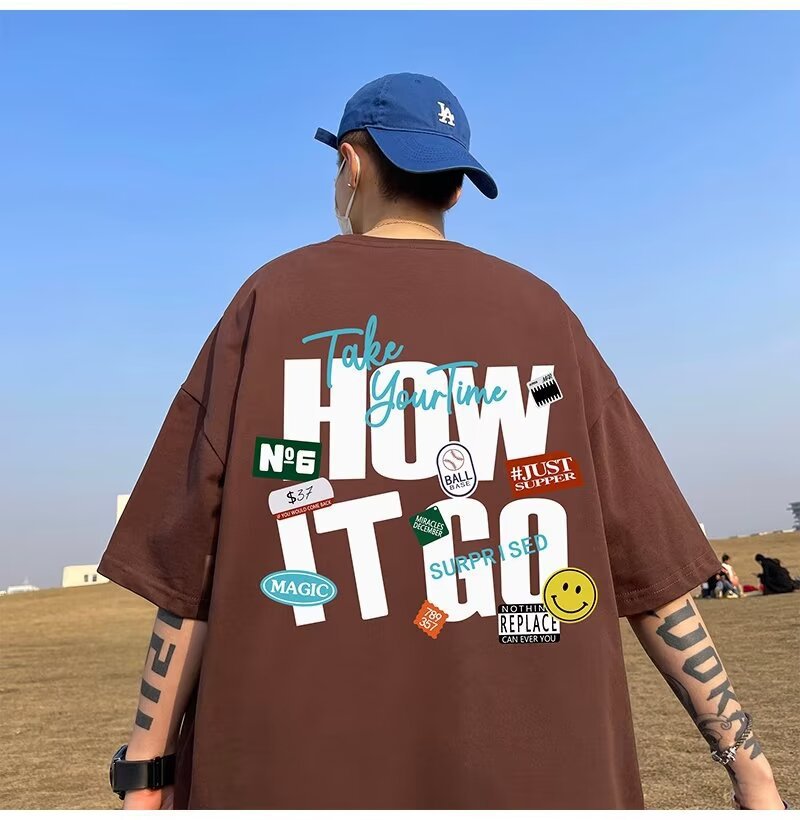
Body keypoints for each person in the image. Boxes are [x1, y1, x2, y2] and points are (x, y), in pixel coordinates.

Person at [99, 73, 788, 810]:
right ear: (456, 189)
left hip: (290, 777)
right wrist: (749, 769)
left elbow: (188, 574)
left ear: (351, 163)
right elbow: (653, 573)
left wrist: (146, 770)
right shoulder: (543, 318)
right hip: (540, 781)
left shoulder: (271, 300)